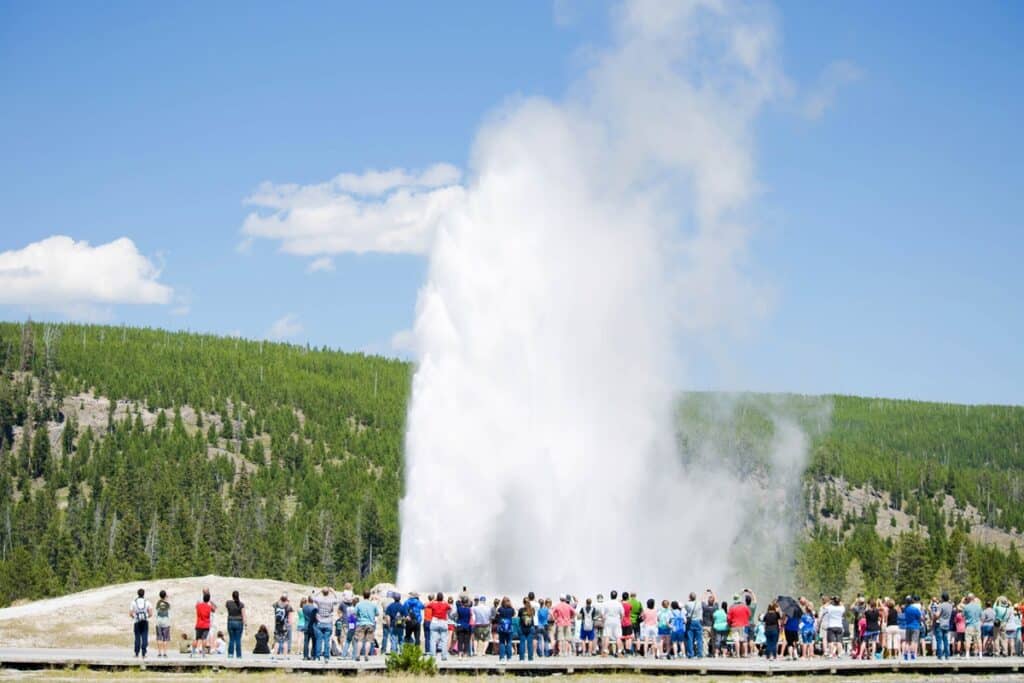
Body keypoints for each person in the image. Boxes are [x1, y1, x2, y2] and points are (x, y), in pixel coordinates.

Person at [312, 586, 339, 662]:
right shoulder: (331, 600)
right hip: (328, 622)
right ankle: (326, 656)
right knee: (327, 640)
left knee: (319, 640)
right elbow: (338, 600)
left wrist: (319, 591)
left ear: (323, 592)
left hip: (320, 621)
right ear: (328, 593)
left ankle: (317, 656)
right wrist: (333, 592)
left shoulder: (319, 599)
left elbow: (312, 597)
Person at [130, 588, 153, 659]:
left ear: (138, 594)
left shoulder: (134, 602)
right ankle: (144, 653)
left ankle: (136, 653)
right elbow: (151, 613)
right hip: (145, 622)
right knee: (144, 636)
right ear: (144, 594)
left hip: (136, 622)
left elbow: (130, 613)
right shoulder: (147, 602)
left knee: (137, 637)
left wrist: (135, 617)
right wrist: (146, 617)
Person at [427, 592, 450, 660]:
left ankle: (433, 655)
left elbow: (427, 605)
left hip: (435, 621)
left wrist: (434, 601)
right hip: (443, 622)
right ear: (442, 598)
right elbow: (449, 607)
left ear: (437, 598)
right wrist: (444, 602)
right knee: (444, 640)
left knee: (433, 640)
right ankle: (444, 656)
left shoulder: (433, 604)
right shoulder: (445, 604)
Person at [193, 589, 216, 657]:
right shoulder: (209, 607)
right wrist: (210, 602)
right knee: (204, 639)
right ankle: (203, 653)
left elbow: (196, 606)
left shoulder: (198, 606)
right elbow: (214, 610)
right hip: (206, 625)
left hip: (198, 624)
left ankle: (193, 652)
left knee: (196, 639)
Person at [225, 590, 246, 659]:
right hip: (239, 622)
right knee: (238, 639)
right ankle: (238, 655)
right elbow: (243, 615)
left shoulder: (228, 603)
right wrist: (245, 623)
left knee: (231, 639)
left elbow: (227, 607)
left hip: (230, 621)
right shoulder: (241, 604)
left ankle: (230, 654)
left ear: (232, 596)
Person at [603, 591, 624, 657]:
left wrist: (604, 620)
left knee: (607, 636)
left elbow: (602, 614)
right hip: (616, 621)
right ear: (616, 596)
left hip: (608, 620)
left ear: (610, 595)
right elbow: (622, 614)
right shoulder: (619, 604)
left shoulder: (606, 603)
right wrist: (620, 620)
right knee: (618, 637)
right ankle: (619, 652)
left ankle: (605, 652)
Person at [684, 592, 703, 659]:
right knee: (699, 639)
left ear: (689, 597)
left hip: (690, 622)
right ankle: (700, 654)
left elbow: (685, 610)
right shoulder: (699, 603)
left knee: (690, 639)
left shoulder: (687, 604)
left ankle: (690, 654)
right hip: (698, 621)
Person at [963, 593, 983, 657]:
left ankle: (967, 654)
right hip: (977, 624)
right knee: (978, 639)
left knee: (968, 640)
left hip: (969, 625)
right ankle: (980, 654)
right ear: (974, 598)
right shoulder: (979, 606)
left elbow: (963, 615)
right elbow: (981, 616)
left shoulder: (966, 607)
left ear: (968, 599)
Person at [933, 592, 952, 660]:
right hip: (947, 624)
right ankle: (947, 655)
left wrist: (934, 615)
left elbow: (937, 615)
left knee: (939, 641)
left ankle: (940, 655)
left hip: (940, 624)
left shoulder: (941, 605)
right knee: (946, 641)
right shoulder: (950, 606)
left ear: (942, 598)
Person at [496, 597, 516, 661]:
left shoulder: (500, 609)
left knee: (502, 642)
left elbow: (497, 616)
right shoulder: (511, 609)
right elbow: (513, 615)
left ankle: (502, 657)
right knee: (509, 642)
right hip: (509, 628)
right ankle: (509, 657)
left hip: (502, 628)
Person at [153, 590, 171, 658]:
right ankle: (165, 653)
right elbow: (169, 609)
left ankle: (159, 652)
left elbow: (157, 609)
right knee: (165, 638)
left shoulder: (158, 602)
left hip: (159, 621)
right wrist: (167, 599)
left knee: (159, 637)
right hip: (166, 621)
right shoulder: (167, 603)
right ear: (165, 595)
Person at [518, 597, 536, 661]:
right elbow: (533, 616)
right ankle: (530, 658)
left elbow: (519, 617)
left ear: (523, 602)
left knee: (522, 643)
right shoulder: (532, 609)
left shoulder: (521, 610)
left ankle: (521, 658)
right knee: (530, 643)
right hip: (530, 627)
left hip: (522, 627)